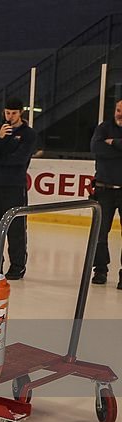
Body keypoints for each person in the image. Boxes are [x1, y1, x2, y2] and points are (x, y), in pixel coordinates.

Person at [0, 98, 38, 280]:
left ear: (20, 112)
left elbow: (19, 159)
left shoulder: (28, 134)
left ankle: (18, 265)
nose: (10, 116)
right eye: (7, 112)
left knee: (16, 230)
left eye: (13, 113)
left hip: (15, 187)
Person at [90, 98, 122, 287]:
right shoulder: (103, 128)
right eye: (118, 109)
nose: (120, 114)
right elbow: (96, 148)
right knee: (100, 233)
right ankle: (100, 270)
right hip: (104, 189)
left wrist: (114, 143)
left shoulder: (109, 135)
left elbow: (106, 149)